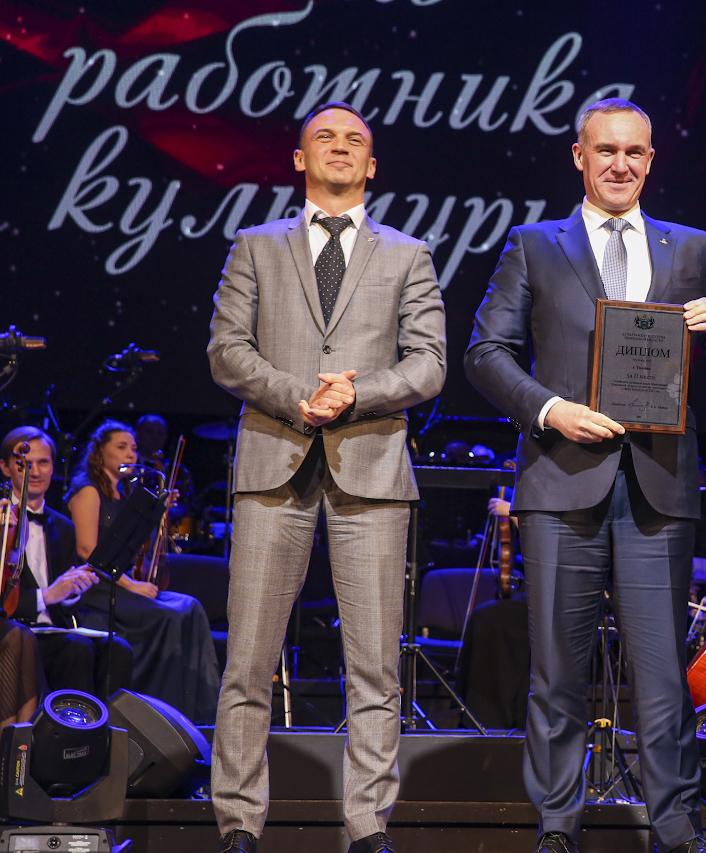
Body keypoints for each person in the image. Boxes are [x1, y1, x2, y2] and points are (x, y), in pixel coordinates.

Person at [465, 97, 706, 853]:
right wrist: (551, 409)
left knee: (661, 675)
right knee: (558, 673)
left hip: (658, 487)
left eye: (634, 152)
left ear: (651, 160)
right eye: (605, 151)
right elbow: (485, 353)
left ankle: (676, 828)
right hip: (561, 481)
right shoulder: (534, 245)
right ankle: (558, 827)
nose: (619, 164)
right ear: (579, 156)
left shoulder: (693, 248)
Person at [207, 100, 446, 853]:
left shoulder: (408, 254)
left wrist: (356, 393)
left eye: (354, 140)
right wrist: (297, 395)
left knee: (374, 665)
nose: (339, 147)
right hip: (272, 463)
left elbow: (428, 363)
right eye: (324, 137)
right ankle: (239, 823)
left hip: (370, 470)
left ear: (371, 165)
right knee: (248, 659)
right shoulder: (255, 246)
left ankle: (368, 826)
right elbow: (226, 351)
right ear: (299, 159)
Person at [65, 421, 219, 722]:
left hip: (118, 583)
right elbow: (88, 552)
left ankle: (202, 712)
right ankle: (163, 711)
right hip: (95, 588)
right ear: (100, 451)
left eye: (133, 449)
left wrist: (158, 512)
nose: (131, 454)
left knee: (191, 608)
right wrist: (131, 585)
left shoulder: (125, 494)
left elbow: (134, 546)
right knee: (170, 615)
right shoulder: (88, 491)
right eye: (121, 447)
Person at [2, 426, 132, 701]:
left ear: (53, 467)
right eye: (25, 464)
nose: (35, 472)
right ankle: (74, 727)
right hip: (14, 632)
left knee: (119, 648)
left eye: (43, 462)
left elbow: (65, 603)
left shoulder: (63, 526)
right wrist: (49, 595)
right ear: (5, 467)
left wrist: (73, 589)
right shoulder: (2, 521)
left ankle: (111, 727)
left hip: (54, 628)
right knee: (77, 647)